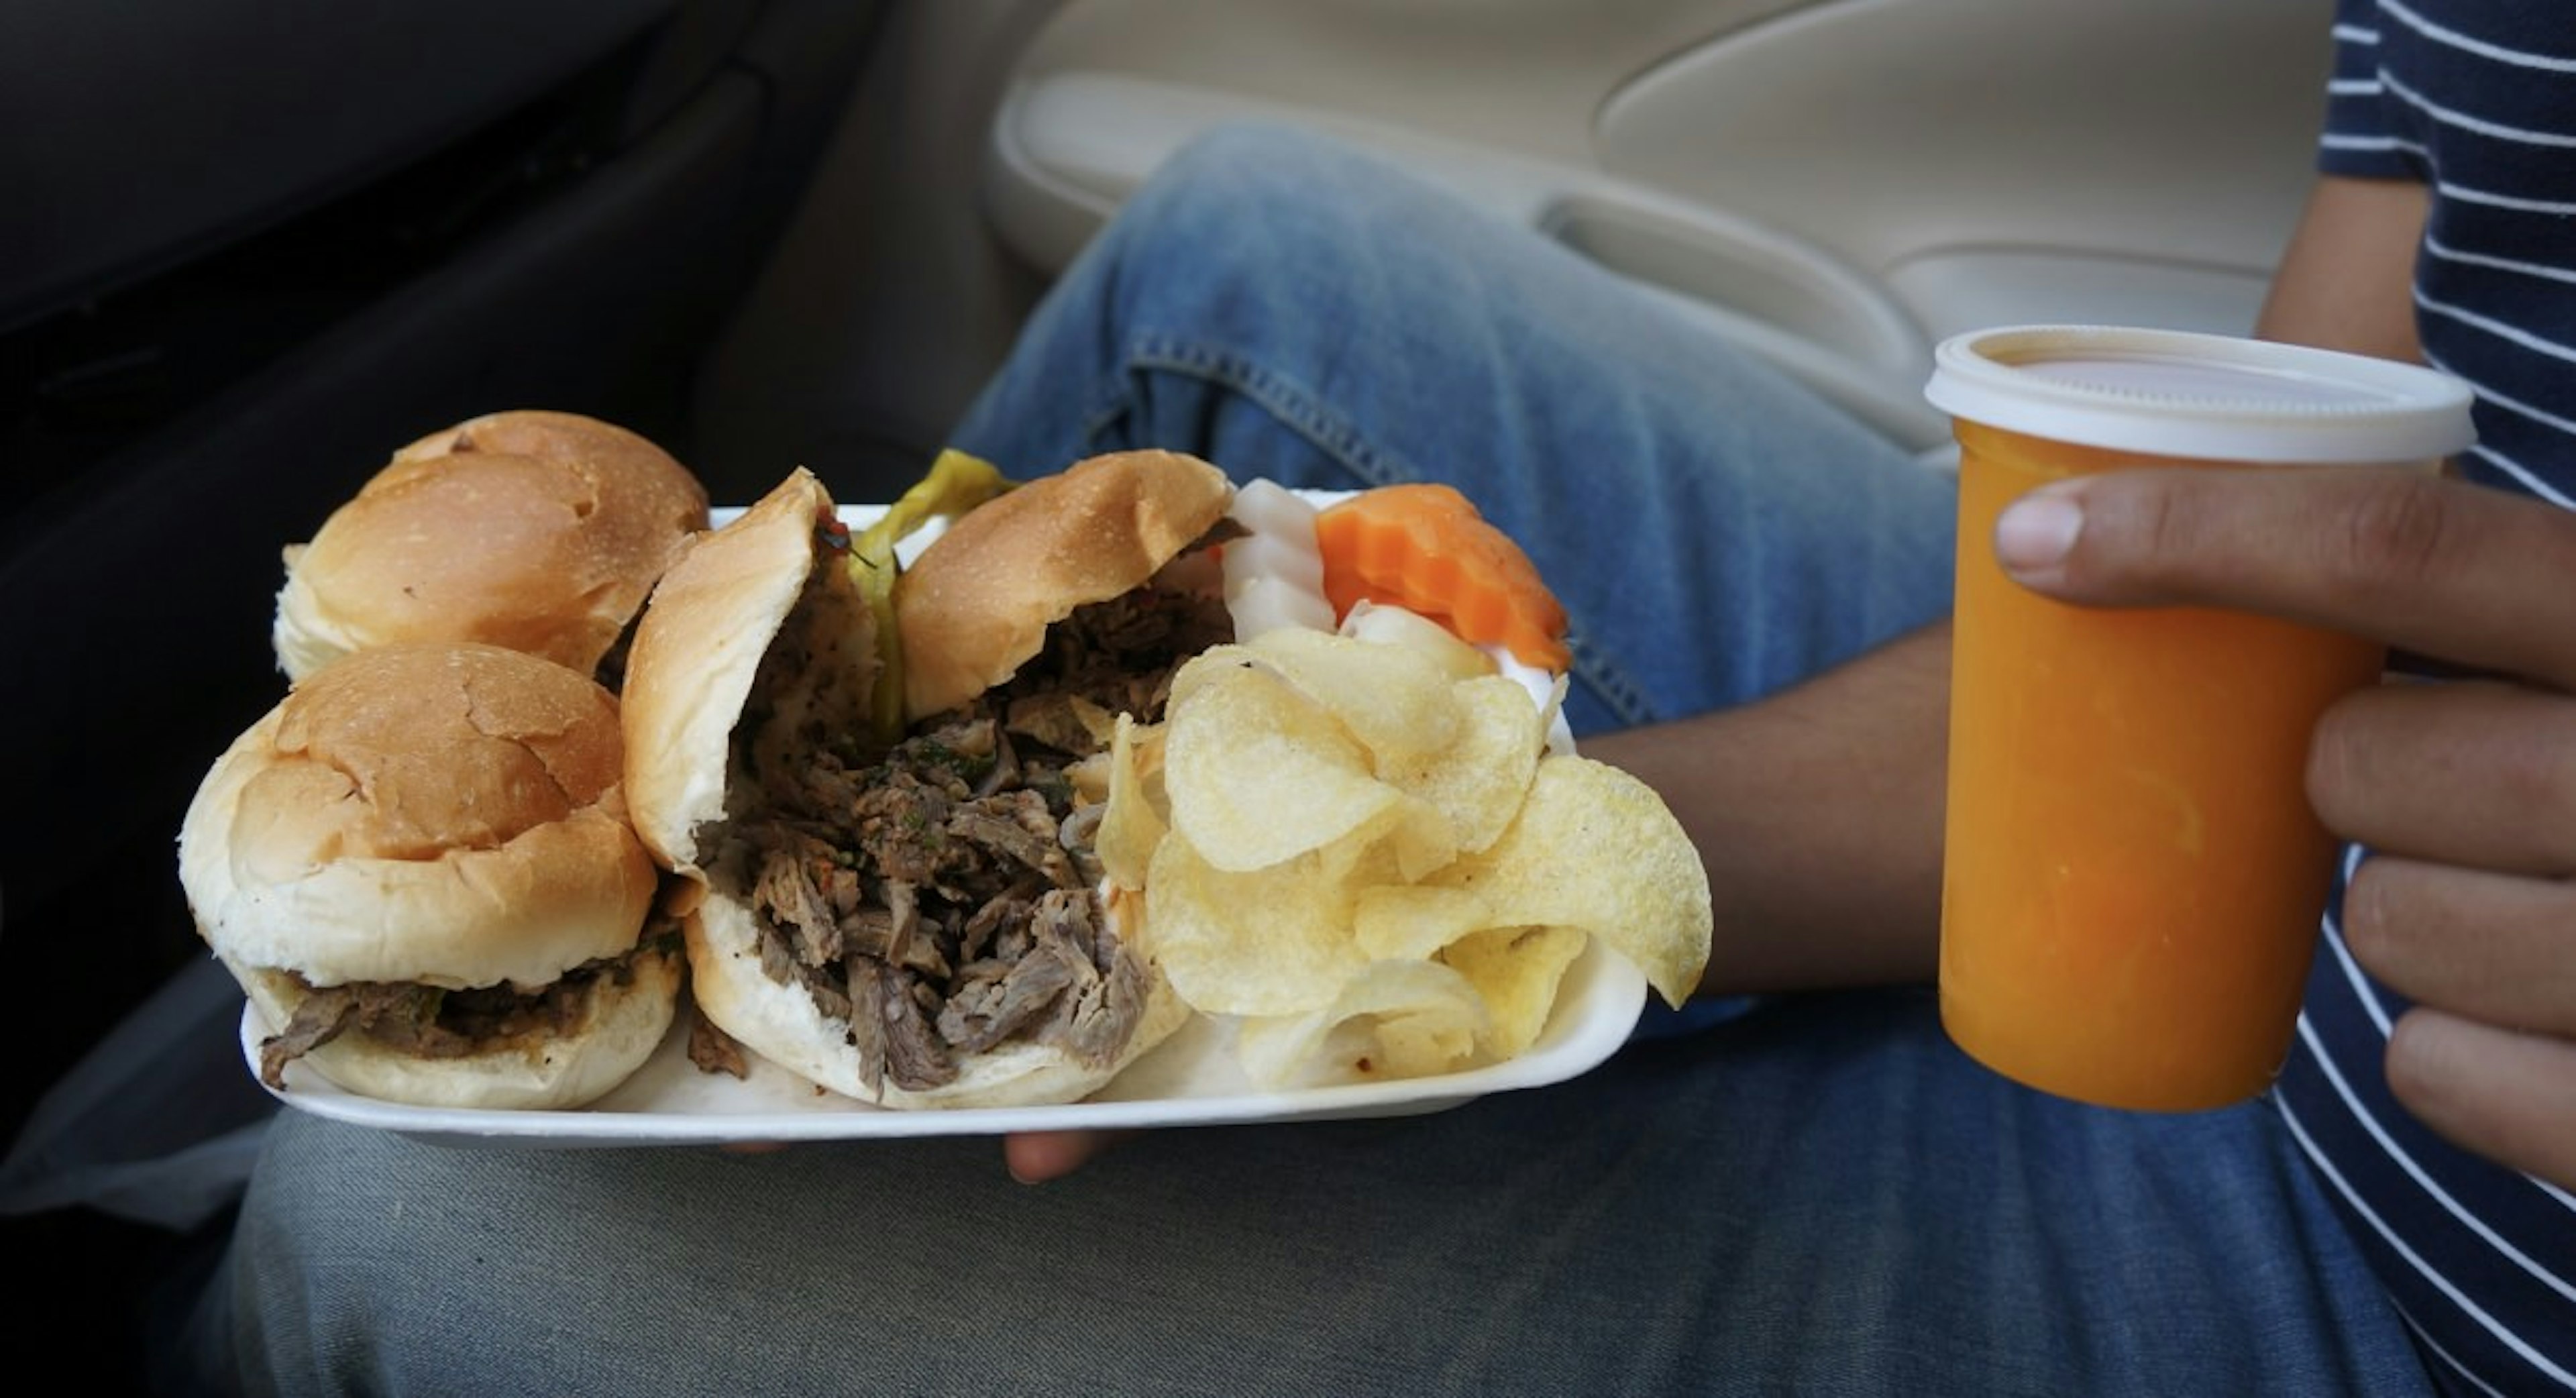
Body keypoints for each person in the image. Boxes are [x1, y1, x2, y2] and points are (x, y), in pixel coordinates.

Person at [171, 2, 2571, 1393]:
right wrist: (1412, 895)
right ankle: (153, 1151)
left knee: (405, 1243)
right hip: (2234, 867)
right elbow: (2291, 498)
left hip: (2385, 1274)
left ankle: (157, 1251)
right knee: (1242, 245)